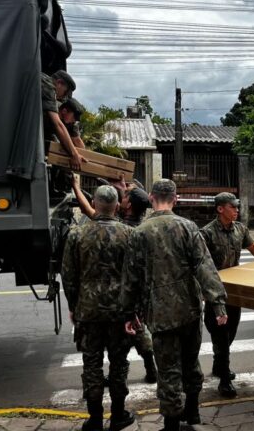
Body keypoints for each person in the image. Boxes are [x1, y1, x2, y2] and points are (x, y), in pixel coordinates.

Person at [123, 179, 228, 431]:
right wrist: (218, 304)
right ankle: (192, 413)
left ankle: (171, 424)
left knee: (168, 370)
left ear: (151, 198)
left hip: (159, 314)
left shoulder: (139, 233)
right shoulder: (188, 227)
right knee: (191, 363)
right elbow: (205, 268)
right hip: (189, 311)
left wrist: (130, 312)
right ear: (176, 199)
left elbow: (131, 278)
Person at [70, 177, 159, 385]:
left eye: (126, 196)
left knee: (102, 353)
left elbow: (89, 210)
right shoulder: (135, 227)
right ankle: (149, 368)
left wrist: (76, 187)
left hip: (103, 303)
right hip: (125, 300)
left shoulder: (118, 228)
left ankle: (97, 392)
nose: (123, 196)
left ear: (126, 206)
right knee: (136, 332)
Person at [61, 185, 136, 431]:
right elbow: (136, 276)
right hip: (119, 311)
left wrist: (74, 306)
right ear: (117, 206)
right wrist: (135, 311)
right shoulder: (128, 234)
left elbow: (69, 276)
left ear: (94, 202)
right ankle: (118, 415)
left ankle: (94, 419)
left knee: (91, 363)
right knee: (118, 363)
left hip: (88, 310)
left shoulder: (77, 234)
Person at [200, 192, 254, 398]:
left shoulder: (240, 229)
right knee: (219, 332)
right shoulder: (207, 233)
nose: (237, 210)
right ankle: (224, 380)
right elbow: (202, 264)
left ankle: (219, 363)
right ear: (221, 209)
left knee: (231, 331)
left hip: (234, 292)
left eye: (237, 206)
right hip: (215, 292)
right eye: (233, 206)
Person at [41, 72, 84, 171]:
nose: (63, 97)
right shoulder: (47, 85)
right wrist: (74, 154)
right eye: (65, 92)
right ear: (59, 83)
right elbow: (58, 125)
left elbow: (77, 140)